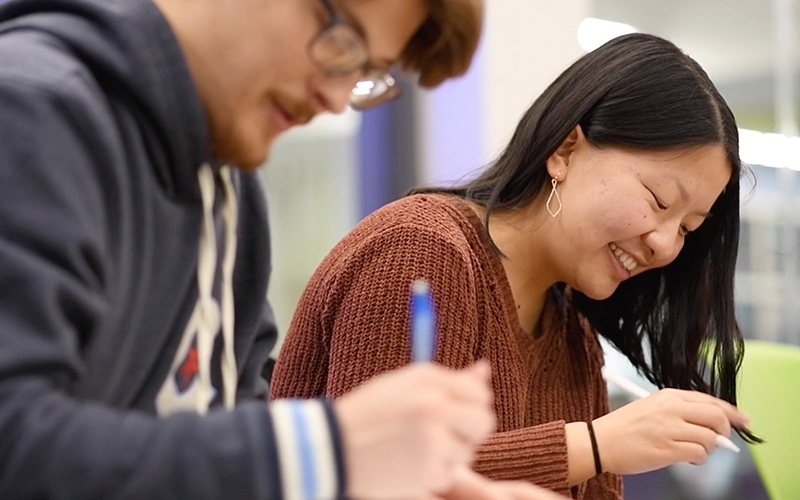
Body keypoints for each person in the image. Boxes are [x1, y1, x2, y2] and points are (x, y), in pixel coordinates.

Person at [0, 0, 569, 498]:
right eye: (343, 41)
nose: (334, 96)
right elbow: (16, 448)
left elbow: (222, 418)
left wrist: (358, 483)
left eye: (367, 73)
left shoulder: (228, 179)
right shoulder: (31, 112)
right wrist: (327, 450)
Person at [270, 33, 760, 499]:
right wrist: (591, 445)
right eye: (658, 201)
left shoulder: (571, 332)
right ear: (566, 151)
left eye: (687, 228)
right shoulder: (422, 249)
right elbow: (374, 476)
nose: (665, 245)